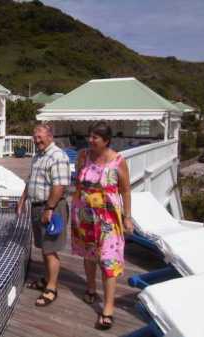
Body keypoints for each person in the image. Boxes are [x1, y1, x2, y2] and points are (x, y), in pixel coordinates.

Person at [71, 121, 134, 330]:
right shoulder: (83, 156)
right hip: (85, 215)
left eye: (95, 137)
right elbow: (78, 182)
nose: (90, 140)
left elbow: (125, 190)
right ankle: (90, 288)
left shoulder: (118, 160)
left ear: (106, 141)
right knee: (89, 255)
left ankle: (108, 308)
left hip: (108, 219)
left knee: (108, 261)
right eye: (89, 136)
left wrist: (127, 216)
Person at [17, 124, 70, 306]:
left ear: (50, 136)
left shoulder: (57, 156)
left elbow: (59, 186)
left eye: (39, 136)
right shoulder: (38, 156)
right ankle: (47, 279)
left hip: (52, 208)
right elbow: (31, 180)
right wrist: (22, 201)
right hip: (38, 206)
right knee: (44, 247)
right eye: (34, 136)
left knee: (50, 249)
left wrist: (49, 209)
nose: (36, 139)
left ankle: (51, 288)